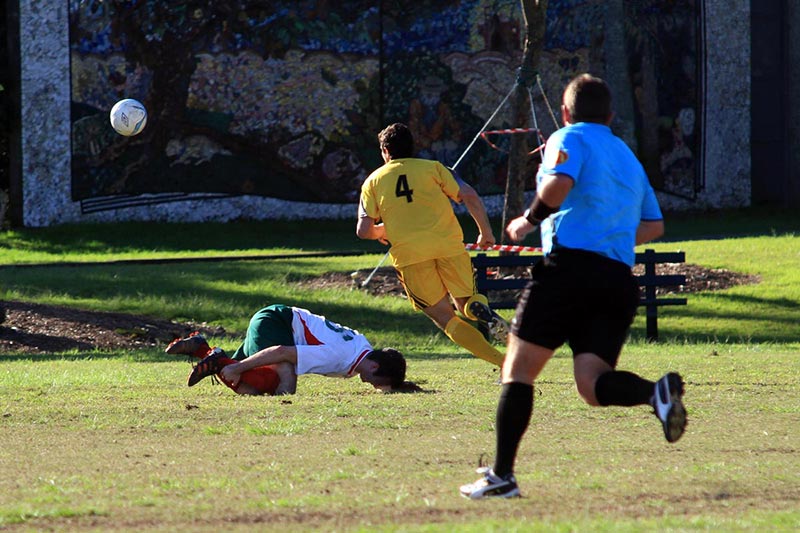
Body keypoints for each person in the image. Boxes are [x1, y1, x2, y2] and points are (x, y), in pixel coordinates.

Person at [460, 74, 687, 499]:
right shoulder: (627, 156)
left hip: (569, 272)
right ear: (611, 115)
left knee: (518, 371)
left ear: (565, 113)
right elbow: (654, 225)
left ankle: (502, 476)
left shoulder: (567, 137)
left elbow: (559, 184)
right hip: (617, 280)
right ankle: (654, 395)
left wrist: (528, 220)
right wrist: (609, 235)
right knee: (592, 383)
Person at [356, 122, 508, 367]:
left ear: (385, 150)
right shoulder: (434, 168)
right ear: (412, 146)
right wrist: (485, 232)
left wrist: (380, 231)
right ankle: (479, 309)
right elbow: (468, 194)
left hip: (410, 256)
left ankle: (504, 363)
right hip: (448, 246)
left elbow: (363, 231)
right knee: (467, 302)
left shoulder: (372, 182)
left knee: (445, 318)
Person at [166, 304, 416, 395]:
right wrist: (239, 367)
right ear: (375, 365)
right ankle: (220, 361)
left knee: (249, 389)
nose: (371, 384)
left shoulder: (363, 347)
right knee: (280, 384)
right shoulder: (341, 357)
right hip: (277, 322)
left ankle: (203, 350)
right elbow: (283, 351)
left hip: (280, 319)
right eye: (376, 381)